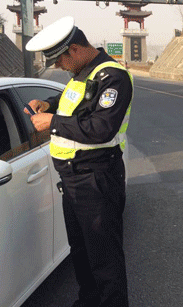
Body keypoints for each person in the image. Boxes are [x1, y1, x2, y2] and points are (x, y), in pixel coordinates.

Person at [24, 16, 133, 307]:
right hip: (74, 180)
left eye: (59, 60)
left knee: (104, 258)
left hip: (97, 177)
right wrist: (48, 104)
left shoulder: (113, 77)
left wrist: (52, 122)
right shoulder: (82, 74)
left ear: (74, 49)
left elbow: (101, 127)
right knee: (81, 252)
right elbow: (74, 103)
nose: (59, 67)